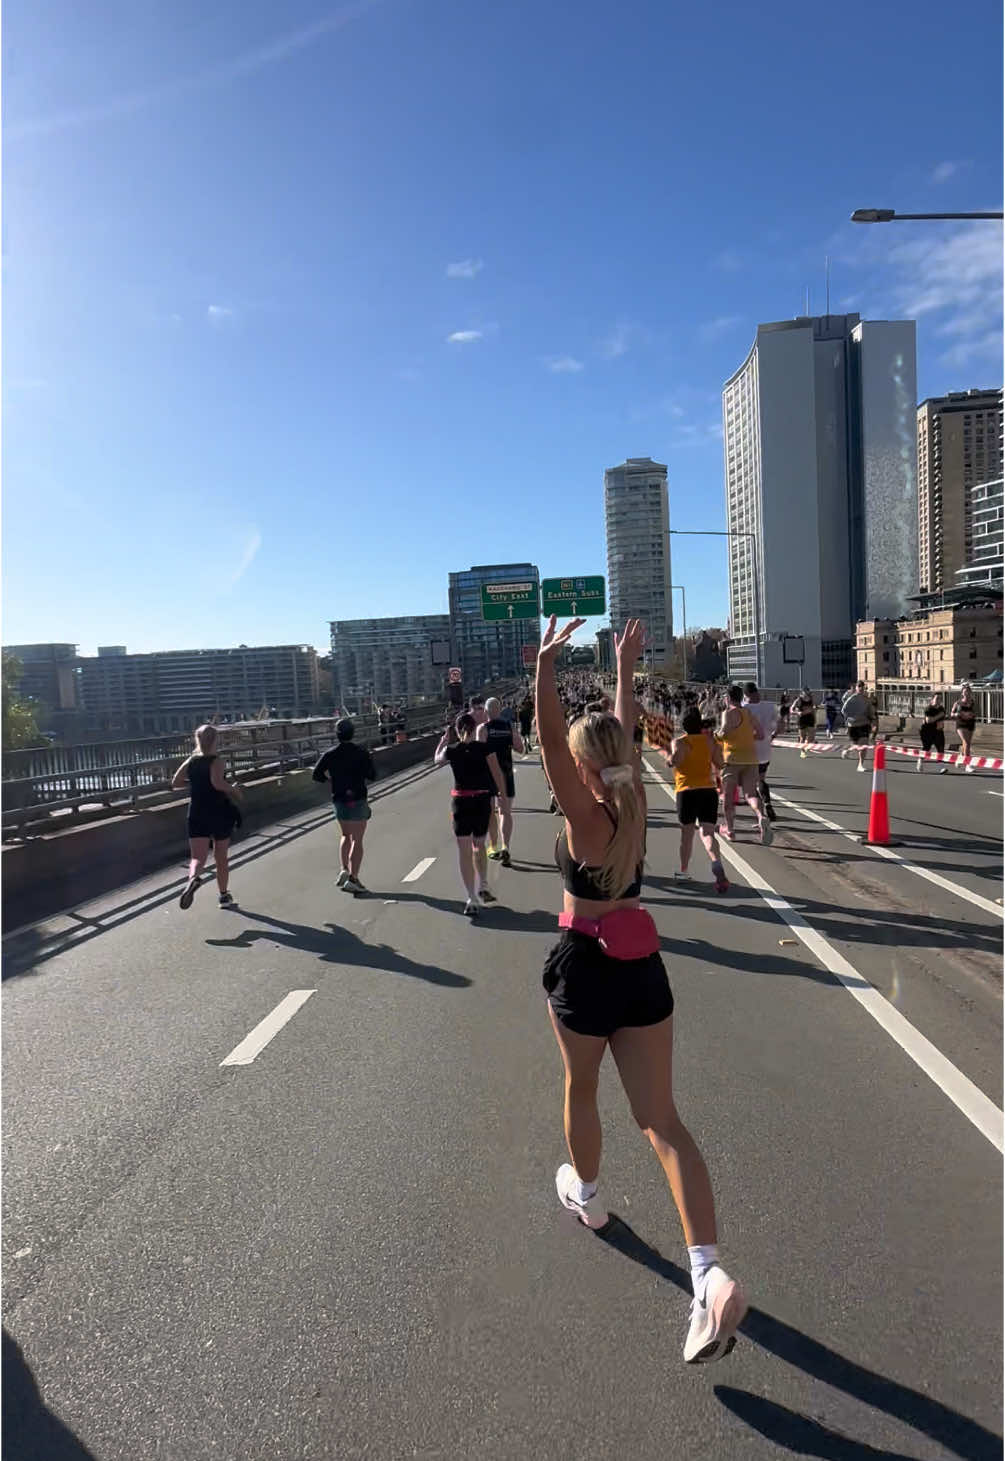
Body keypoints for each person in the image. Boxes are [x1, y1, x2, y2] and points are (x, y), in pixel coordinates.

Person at [537, 614, 746, 1365]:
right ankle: (708, 1271)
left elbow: (555, 736)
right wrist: (622, 670)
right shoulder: (631, 803)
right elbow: (615, 735)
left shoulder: (584, 819)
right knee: (663, 1121)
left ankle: (587, 1194)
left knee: (581, 1086)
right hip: (643, 964)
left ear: (576, 765)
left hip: (585, 963)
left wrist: (543, 670)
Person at [435, 712, 505, 916]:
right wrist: (500, 794)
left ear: (457, 731)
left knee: (464, 850)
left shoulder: (452, 750)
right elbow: (496, 772)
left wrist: (442, 742)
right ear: (474, 729)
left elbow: (436, 760)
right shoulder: (484, 749)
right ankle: (483, 883)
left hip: (461, 802)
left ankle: (471, 897)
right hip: (482, 801)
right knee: (479, 845)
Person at [172, 724, 244, 910]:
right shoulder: (216, 760)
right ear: (215, 740)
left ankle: (193, 879)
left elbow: (175, 782)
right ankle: (223, 897)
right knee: (221, 856)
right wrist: (234, 790)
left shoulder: (192, 761)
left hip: (196, 811)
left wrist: (196, 782)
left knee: (197, 857)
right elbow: (217, 783)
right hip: (218, 811)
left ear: (198, 740)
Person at [312, 719, 377, 893]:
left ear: (337, 734)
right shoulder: (361, 753)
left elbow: (316, 775)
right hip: (357, 798)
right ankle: (353, 879)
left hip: (339, 799)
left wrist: (330, 779)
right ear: (353, 733)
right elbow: (372, 775)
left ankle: (343, 869)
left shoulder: (330, 754)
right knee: (357, 839)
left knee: (345, 835)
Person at [669, 708, 729, 892]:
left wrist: (670, 760)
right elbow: (720, 764)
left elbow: (676, 761)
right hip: (708, 791)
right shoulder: (710, 741)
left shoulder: (679, 742)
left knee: (687, 835)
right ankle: (716, 862)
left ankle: (684, 870)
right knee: (708, 832)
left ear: (683, 725)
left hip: (686, 791)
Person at [715, 685, 770, 844]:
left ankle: (730, 830)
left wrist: (716, 736)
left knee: (728, 796)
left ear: (728, 698)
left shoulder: (728, 713)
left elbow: (724, 733)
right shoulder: (748, 713)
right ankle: (761, 816)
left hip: (732, 759)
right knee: (751, 793)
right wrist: (746, 737)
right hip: (750, 759)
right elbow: (760, 735)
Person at [479, 696, 524, 866]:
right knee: (505, 812)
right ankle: (506, 846)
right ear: (500, 710)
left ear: (486, 711)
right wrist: (514, 736)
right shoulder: (508, 726)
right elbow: (520, 749)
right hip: (506, 773)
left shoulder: (483, 729)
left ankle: (493, 846)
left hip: (487, 775)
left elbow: (479, 752)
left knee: (490, 812)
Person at [743, 683, 778, 823]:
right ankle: (768, 803)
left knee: (750, 785)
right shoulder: (770, 706)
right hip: (765, 751)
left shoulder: (744, 708)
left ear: (746, 695)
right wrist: (773, 736)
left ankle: (761, 814)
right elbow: (780, 725)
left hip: (749, 751)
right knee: (761, 779)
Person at [839, 682, 873, 772]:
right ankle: (847, 750)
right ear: (856, 688)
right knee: (856, 745)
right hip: (853, 725)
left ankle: (860, 764)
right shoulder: (851, 698)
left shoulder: (867, 699)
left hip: (864, 725)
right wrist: (849, 720)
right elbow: (843, 711)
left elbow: (871, 712)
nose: (861, 689)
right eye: (859, 687)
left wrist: (872, 721)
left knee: (864, 745)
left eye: (863, 687)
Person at [917, 693, 947, 774]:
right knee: (926, 748)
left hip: (938, 731)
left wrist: (941, 724)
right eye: (937, 698)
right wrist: (939, 716)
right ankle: (920, 760)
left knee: (940, 748)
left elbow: (942, 719)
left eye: (940, 699)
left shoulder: (942, 709)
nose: (938, 700)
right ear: (932, 699)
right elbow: (928, 720)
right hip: (927, 731)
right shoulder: (929, 708)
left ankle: (941, 767)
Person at [951, 684, 978, 771]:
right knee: (966, 742)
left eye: (968, 692)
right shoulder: (958, 703)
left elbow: (976, 713)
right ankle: (968, 764)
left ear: (970, 693)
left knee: (967, 744)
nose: (967, 693)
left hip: (970, 723)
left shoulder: (973, 703)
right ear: (962, 693)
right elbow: (952, 713)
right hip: (961, 724)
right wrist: (957, 714)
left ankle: (960, 758)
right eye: (965, 692)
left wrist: (971, 715)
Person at [791, 689, 816, 755]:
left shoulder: (811, 699)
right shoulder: (798, 700)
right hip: (802, 720)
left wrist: (815, 719)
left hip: (810, 719)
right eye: (805, 692)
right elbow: (791, 709)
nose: (807, 694)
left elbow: (813, 709)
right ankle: (802, 751)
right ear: (802, 693)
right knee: (802, 737)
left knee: (812, 736)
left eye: (808, 692)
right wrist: (797, 712)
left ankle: (806, 745)